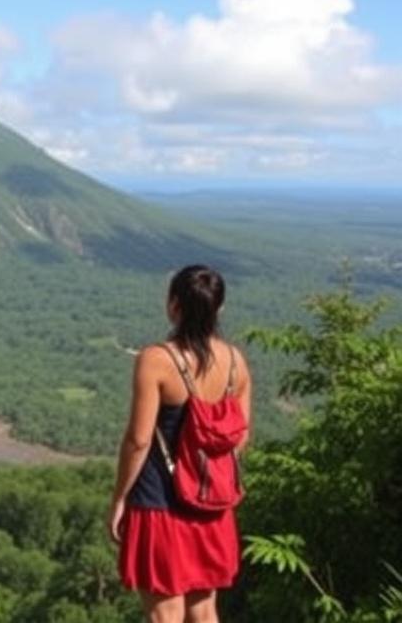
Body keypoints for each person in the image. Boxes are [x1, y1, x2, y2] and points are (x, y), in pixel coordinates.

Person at [108, 264, 251, 623]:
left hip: (159, 501)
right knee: (204, 609)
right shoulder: (237, 364)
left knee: (164, 612)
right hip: (212, 506)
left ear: (173, 305)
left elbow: (139, 440)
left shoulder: (157, 360)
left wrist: (120, 498)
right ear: (219, 309)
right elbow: (240, 437)